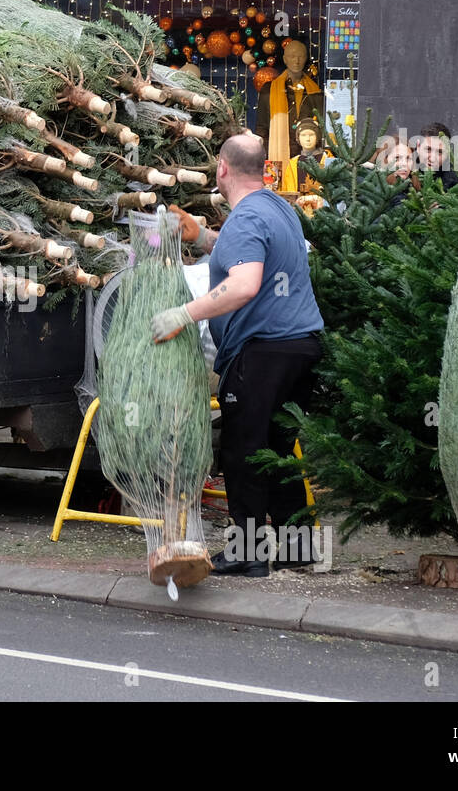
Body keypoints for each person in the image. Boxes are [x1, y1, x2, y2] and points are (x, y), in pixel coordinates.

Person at [149, 134, 324, 576]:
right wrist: (203, 236)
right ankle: (296, 549)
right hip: (300, 346)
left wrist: (182, 314)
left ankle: (248, 552)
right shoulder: (277, 206)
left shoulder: (246, 218)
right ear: (263, 169)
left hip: (262, 352)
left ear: (222, 169)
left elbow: (244, 284)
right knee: (279, 449)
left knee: (243, 450)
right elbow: (250, 255)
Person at [254, 40, 324, 169]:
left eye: (301, 56)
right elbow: (262, 128)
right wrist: (264, 157)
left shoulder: (315, 92)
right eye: (292, 56)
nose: (296, 61)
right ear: (285, 59)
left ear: (306, 58)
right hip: (278, 153)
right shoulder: (269, 90)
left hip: (308, 155)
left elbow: (322, 127)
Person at [413, 123, 458, 189]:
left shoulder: (456, 182)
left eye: (440, 152)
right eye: (428, 149)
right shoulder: (405, 171)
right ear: (418, 146)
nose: (432, 159)